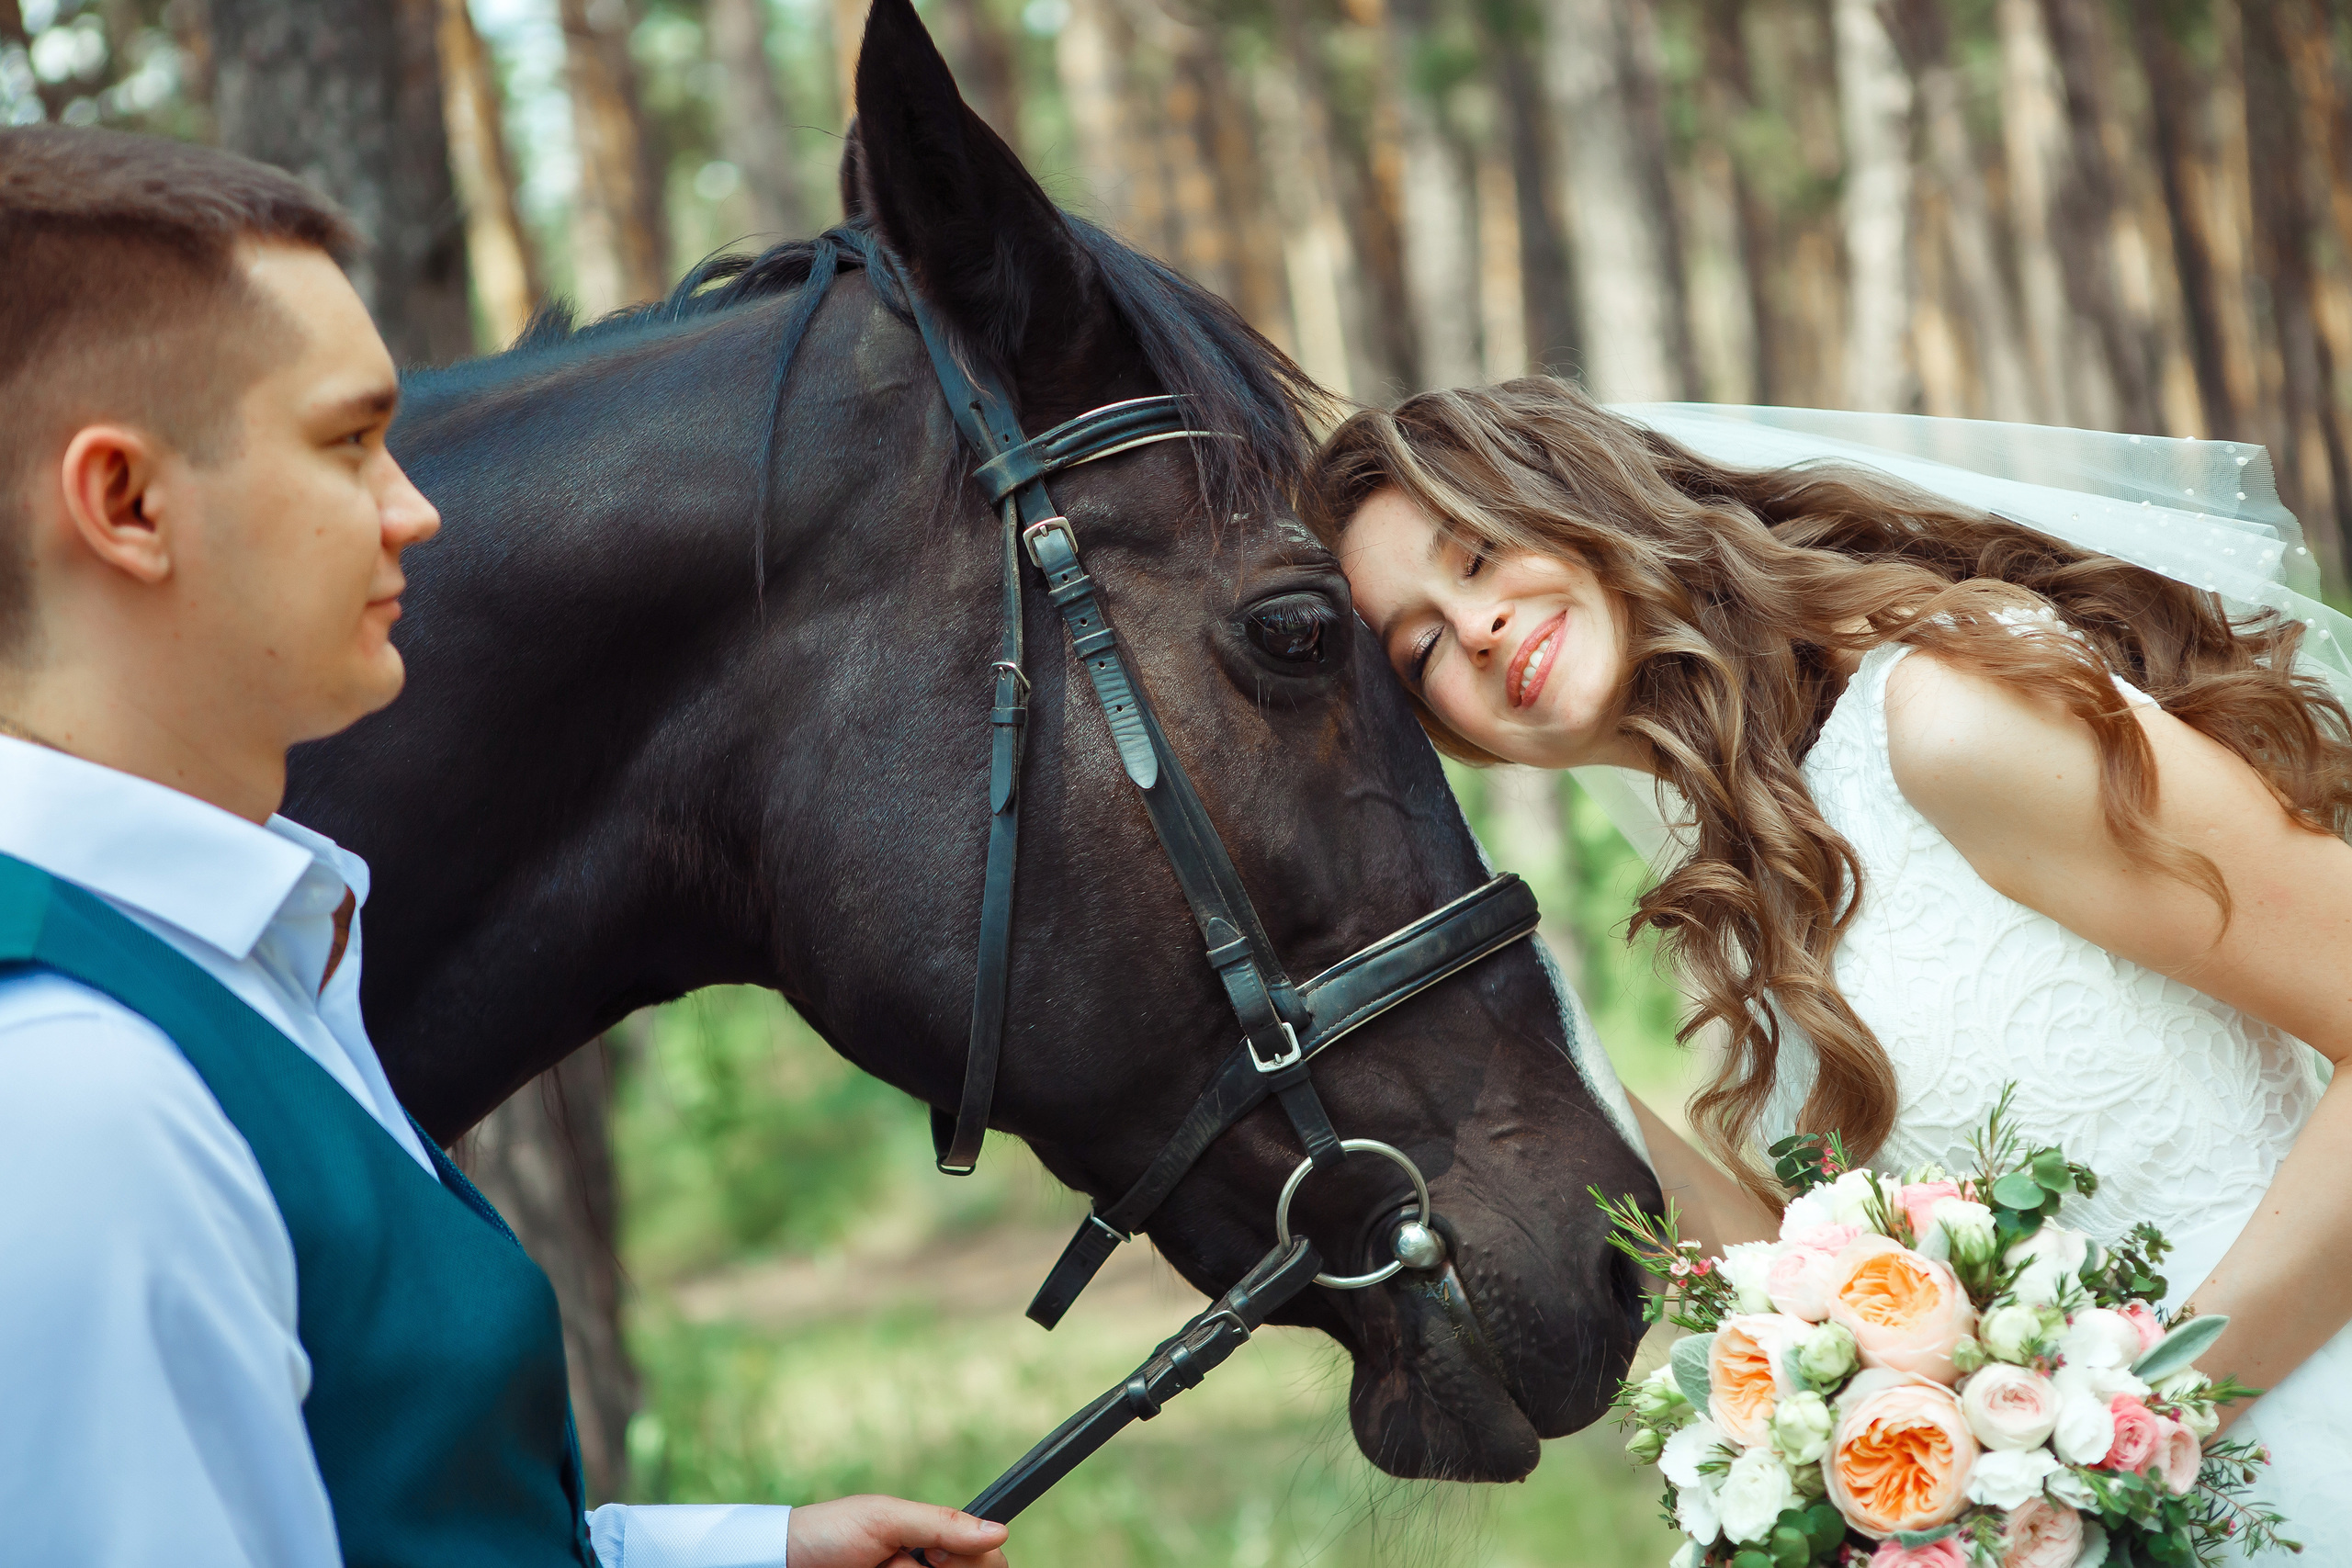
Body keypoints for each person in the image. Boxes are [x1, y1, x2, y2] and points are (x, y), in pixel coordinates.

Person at [0, 125, 1011, 1568]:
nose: (415, 508)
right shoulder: (76, 1096)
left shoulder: (241, 950)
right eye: (347, 444)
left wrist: (741, 1551)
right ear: (127, 503)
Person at [1306, 375, 2352, 1549]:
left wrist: (2132, 1427)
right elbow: (1801, 1285)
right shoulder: (1739, 898)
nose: (1476, 629)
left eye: (1478, 554)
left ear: (1580, 501)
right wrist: (1526, 1028)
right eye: (1421, 650)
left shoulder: (1947, 718)